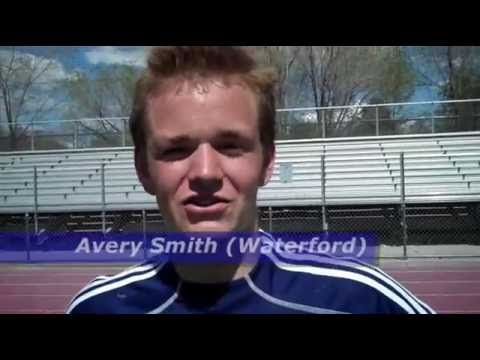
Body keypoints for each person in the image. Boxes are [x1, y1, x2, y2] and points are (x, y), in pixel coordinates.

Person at [66, 46, 435, 314]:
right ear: (143, 169)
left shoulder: (363, 300)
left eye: (231, 146)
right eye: (176, 150)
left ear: (268, 161)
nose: (206, 173)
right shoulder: (97, 308)